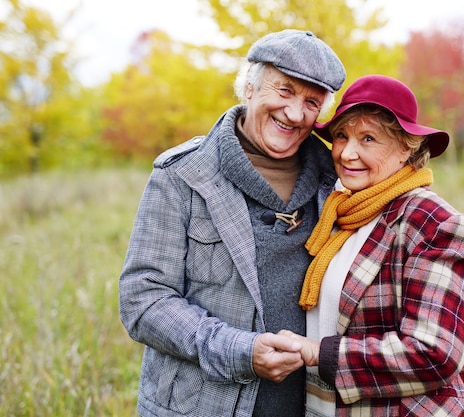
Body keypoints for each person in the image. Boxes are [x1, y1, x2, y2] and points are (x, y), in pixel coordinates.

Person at [118, 29, 346, 417]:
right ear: (250, 87)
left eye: (311, 101)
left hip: (311, 405)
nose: (294, 113)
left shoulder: (340, 181)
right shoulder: (183, 174)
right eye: (285, 91)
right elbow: (143, 299)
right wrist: (238, 350)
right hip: (202, 406)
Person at [280, 74, 464, 416]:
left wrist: (318, 353)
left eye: (369, 138)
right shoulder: (336, 212)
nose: (347, 152)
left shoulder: (434, 223)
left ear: (407, 147)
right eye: (341, 136)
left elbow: (434, 354)